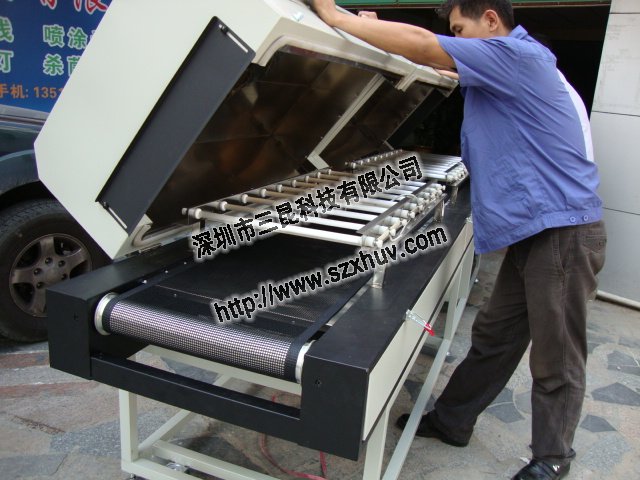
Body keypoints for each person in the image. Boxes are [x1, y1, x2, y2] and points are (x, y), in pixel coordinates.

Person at [310, 1, 607, 479]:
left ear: (491, 19)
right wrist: (374, 33)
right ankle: (453, 421)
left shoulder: (516, 55)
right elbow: (429, 59)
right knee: (495, 335)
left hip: (562, 233)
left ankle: (553, 458)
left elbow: (426, 47)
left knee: (557, 353)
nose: (455, 39)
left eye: (458, 29)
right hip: (534, 231)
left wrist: (336, 18)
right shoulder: (500, 69)